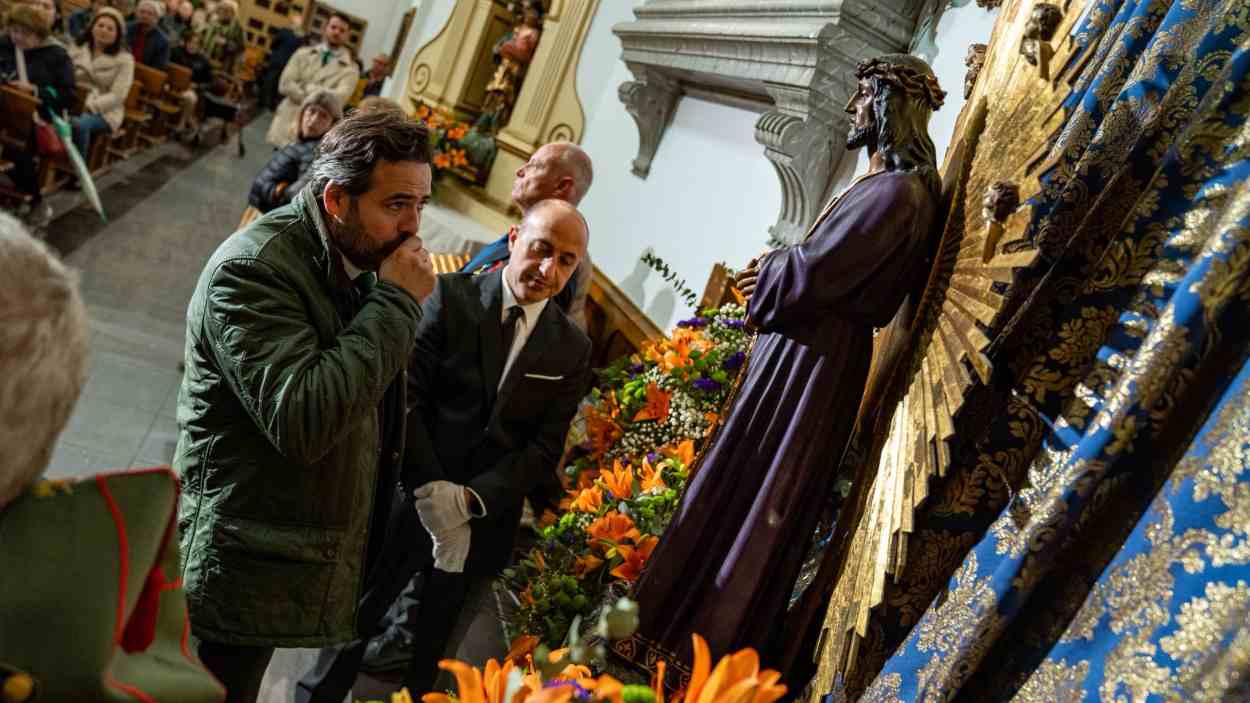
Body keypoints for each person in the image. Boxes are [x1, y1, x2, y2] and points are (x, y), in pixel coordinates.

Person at [616, 54, 946, 688]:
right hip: (804, 356)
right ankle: (668, 636)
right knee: (739, 483)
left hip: (812, 368)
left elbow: (817, 272)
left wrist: (769, 267)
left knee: (756, 494)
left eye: (861, 96)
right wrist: (783, 266)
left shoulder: (898, 193)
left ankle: (696, 659)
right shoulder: (886, 186)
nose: (852, 108)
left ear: (884, 104)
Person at [175, 109, 437, 703]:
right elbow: (304, 418)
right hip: (242, 549)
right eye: (396, 205)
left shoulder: (349, 256)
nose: (413, 227)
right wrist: (396, 303)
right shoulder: (253, 271)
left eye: (421, 205)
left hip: (285, 539)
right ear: (338, 199)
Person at [297, 197, 592, 703]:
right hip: (410, 495)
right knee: (356, 621)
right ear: (515, 238)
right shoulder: (450, 296)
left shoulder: (571, 346)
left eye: (567, 261)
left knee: (436, 654)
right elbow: (405, 398)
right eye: (542, 249)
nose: (549, 269)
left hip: (484, 519)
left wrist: (469, 502)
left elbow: (544, 447)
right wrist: (433, 490)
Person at [458, 142, 594, 327]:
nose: (520, 171)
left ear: (562, 186)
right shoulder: (526, 230)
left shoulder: (562, 261)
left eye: (535, 166)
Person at [0, 4, 75, 227]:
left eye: (25, 33)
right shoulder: (4, 44)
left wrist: (34, 90)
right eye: (14, 31)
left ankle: (35, 199)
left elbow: (67, 95)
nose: (18, 37)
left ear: (40, 34)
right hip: (5, 110)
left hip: (38, 117)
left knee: (16, 144)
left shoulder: (57, 55)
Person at [266, 12, 357, 148]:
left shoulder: (351, 69)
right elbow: (285, 85)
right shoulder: (302, 53)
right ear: (325, 28)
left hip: (315, 135)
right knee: (276, 166)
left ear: (347, 35)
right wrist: (320, 96)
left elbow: (338, 100)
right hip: (286, 125)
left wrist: (306, 87)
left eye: (342, 30)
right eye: (333, 27)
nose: (337, 32)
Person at [247, 90, 342, 213]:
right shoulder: (302, 143)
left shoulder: (315, 151)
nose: (313, 120)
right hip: (258, 212)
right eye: (312, 111)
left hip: (266, 217)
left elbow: (298, 198)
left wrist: (277, 192)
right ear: (303, 112)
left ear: (332, 125)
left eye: (323, 116)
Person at [68, 7, 133, 158]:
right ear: (92, 27)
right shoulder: (78, 47)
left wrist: (90, 106)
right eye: (100, 25)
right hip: (73, 98)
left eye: (110, 28)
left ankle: (77, 169)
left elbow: (118, 95)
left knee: (79, 123)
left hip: (104, 111)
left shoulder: (125, 59)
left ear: (117, 35)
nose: (104, 30)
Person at [258, 9, 305, 111]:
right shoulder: (301, 37)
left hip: (276, 62)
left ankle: (264, 105)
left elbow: (273, 45)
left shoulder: (284, 31)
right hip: (288, 66)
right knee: (279, 87)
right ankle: (272, 107)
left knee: (269, 84)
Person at [168, 29, 212, 136]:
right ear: (186, 42)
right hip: (169, 84)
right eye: (190, 42)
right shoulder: (175, 51)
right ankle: (192, 122)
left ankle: (181, 124)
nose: (192, 45)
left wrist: (197, 86)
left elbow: (209, 83)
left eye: (196, 44)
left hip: (188, 90)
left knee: (191, 98)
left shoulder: (204, 61)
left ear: (200, 46)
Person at [196, 0, 242, 68]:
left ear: (232, 13)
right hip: (203, 59)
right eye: (221, 9)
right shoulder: (213, 22)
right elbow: (198, 35)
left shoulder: (237, 28)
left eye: (226, 11)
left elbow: (239, 48)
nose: (222, 12)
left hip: (220, 65)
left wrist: (226, 43)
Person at [127, 0, 169, 69]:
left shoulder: (163, 42)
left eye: (150, 13)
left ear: (157, 17)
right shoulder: (127, 28)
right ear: (136, 13)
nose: (145, 16)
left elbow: (157, 69)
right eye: (142, 12)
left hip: (144, 75)